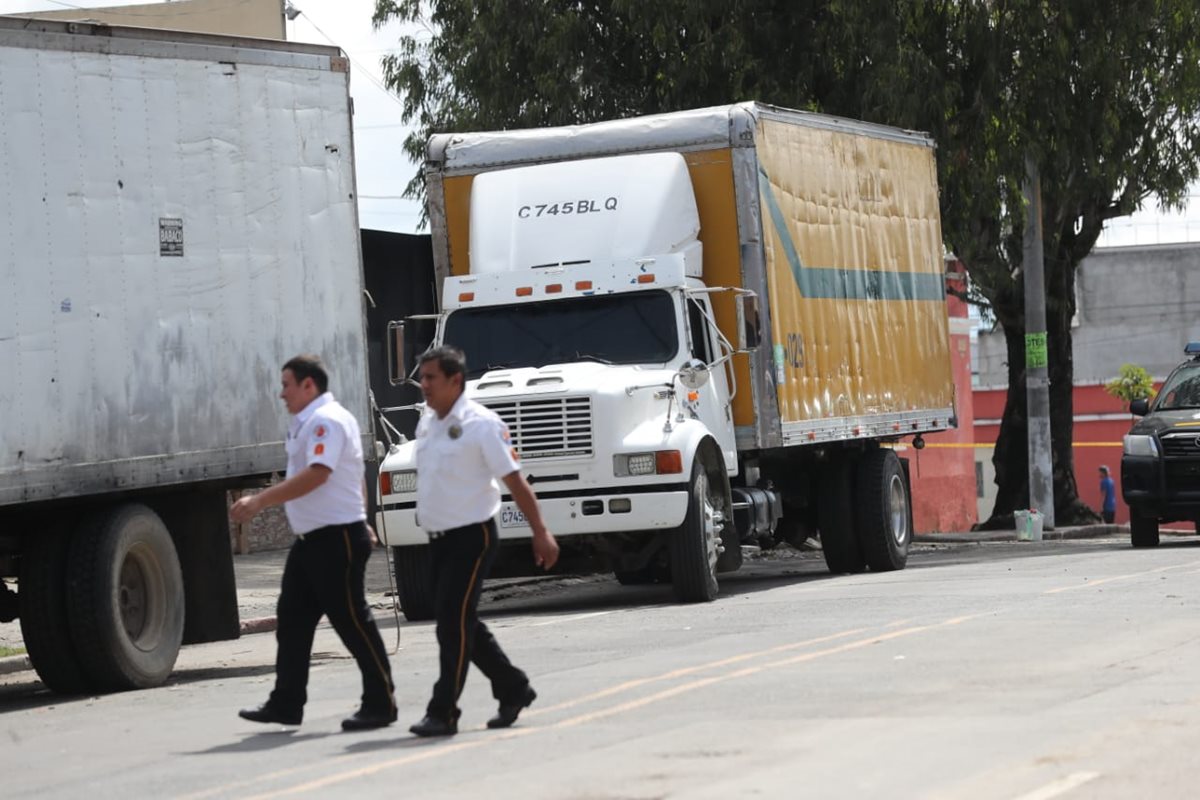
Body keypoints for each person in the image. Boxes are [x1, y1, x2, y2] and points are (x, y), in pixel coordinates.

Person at [232, 354, 396, 731]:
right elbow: (351, 474)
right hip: (312, 541)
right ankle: (286, 703)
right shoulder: (308, 421)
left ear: (309, 385)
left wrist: (259, 501)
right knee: (292, 620)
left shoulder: (326, 421)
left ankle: (381, 702)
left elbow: (319, 474)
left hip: (335, 538)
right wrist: (362, 514)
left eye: (286, 384)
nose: (281, 393)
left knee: (352, 622)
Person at [408, 345, 560, 738]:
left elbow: (515, 481)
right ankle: (514, 687)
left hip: (471, 536)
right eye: (421, 377)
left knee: (451, 626)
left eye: (431, 378)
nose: (423, 384)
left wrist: (540, 531)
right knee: (459, 622)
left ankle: (443, 711)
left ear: (455, 380)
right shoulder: (428, 422)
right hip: (438, 538)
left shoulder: (481, 424)